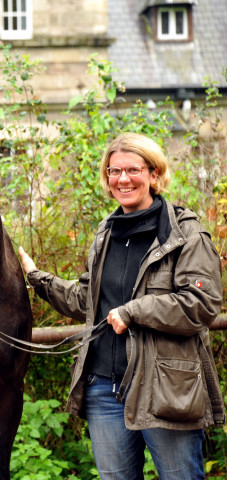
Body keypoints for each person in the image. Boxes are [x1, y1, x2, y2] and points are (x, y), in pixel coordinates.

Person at [18, 133, 225, 480]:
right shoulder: (106, 233)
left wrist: (134, 311)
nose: (123, 179)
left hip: (165, 389)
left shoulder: (186, 234)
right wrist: (38, 278)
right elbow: (86, 300)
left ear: (154, 175)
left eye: (133, 169)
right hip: (103, 388)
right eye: (114, 171)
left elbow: (201, 304)